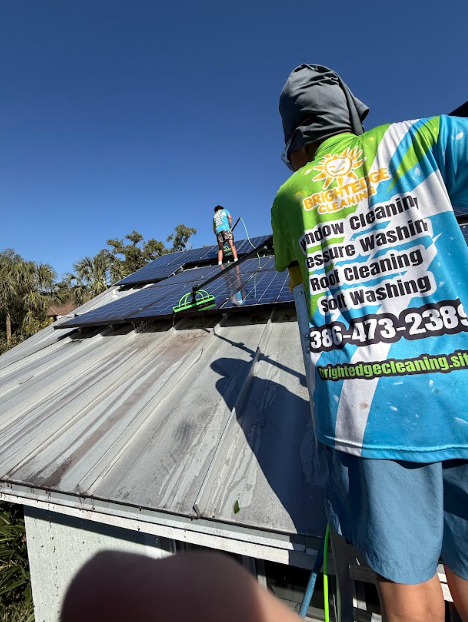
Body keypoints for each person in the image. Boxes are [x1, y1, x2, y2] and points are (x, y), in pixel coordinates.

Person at [271, 64, 468, 622]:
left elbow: (310, 291)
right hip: (459, 393)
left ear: (297, 136)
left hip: (373, 416)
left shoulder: (290, 197)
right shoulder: (419, 138)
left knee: (406, 577)